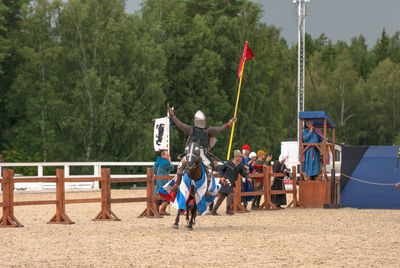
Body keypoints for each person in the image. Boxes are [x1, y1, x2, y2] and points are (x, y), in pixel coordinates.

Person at [168, 105, 236, 186]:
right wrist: (173, 117)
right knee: (181, 165)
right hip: (191, 152)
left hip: (202, 153)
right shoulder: (191, 129)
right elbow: (181, 125)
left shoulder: (208, 130)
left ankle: (208, 188)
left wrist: (229, 123)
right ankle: (177, 185)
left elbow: (220, 129)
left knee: (209, 169)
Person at [212, 150, 250, 215]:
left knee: (222, 196)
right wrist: (221, 177)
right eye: (240, 157)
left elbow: (243, 173)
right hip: (225, 181)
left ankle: (214, 210)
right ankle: (228, 210)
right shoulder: (228, 163)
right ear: (236, 157)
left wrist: (248, 177)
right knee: (231, 193)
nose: (241, 158)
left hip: (231, 182)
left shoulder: (240, 165)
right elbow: (220, 169)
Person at [153, 150, 175, 215]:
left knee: (157, 195)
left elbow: (153, 170)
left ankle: (156, 211)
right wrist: (170, 161)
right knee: (167, 195)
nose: (168, 156)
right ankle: (162, 210)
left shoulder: (156, 162)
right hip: (164, 181)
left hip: (156, 181)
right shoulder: (166, 162)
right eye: (167, 155)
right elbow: (172, 168)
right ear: (163, 155)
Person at [241, 145, 254, 209]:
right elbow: (239, 166)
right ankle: (239, 204)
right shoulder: (240, 158)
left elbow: (251, 169)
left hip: (247, 177)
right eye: (247, 150)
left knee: (247, 189)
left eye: (249, 150)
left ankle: (245, 205)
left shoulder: (249, 159)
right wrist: (246, 165)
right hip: (241, 177)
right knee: (241, 189)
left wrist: (252, 166)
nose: (248, 151)